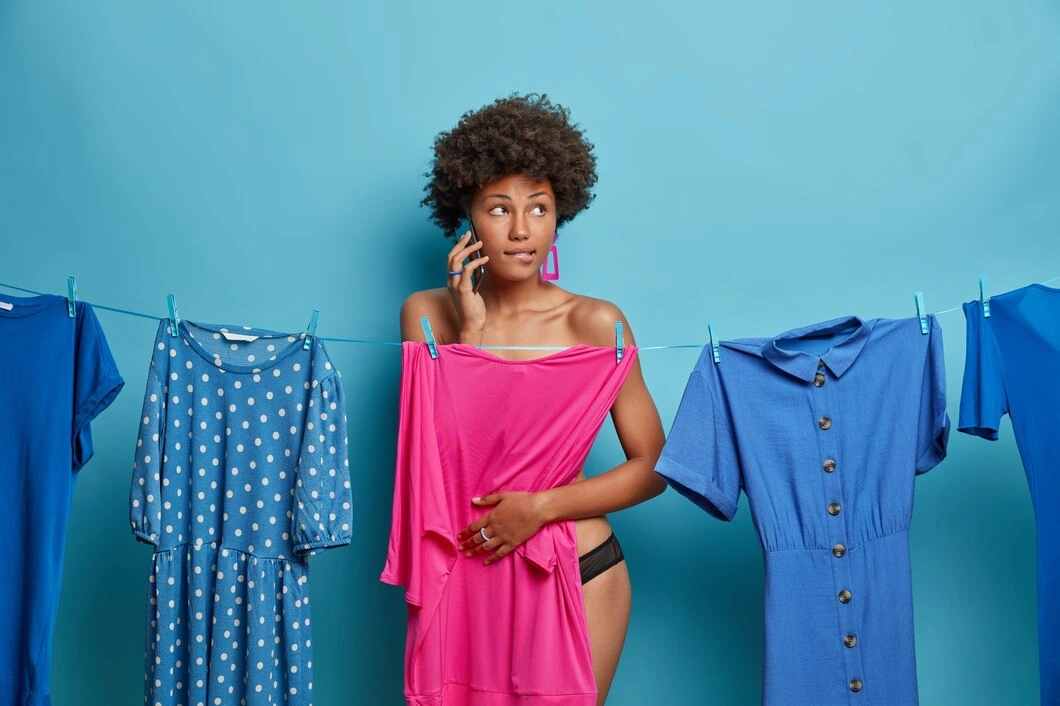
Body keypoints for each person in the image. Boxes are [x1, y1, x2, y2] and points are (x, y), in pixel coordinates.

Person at [398, 93, 666, 704]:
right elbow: (439, 465)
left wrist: (541, 508)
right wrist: (474, 337)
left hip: (574, 562)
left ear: (559, 212)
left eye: (538, 208)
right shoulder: (428, 317)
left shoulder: (596, 323)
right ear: (466, 214)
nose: (521, 231)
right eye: (499, 208)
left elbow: (653, 468)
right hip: (463, 571)